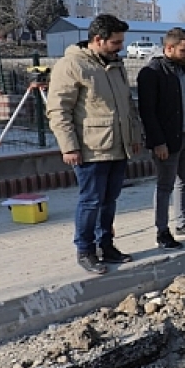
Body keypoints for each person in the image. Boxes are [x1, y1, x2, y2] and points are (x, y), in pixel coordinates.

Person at [47, 14, 143, 274]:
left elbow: (127, 105)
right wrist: (69, 146)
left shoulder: (116, 64)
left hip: (117, 146)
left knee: (109, 200)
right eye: (116, 42)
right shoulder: (72, 66)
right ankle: (86, 250)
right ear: (98, 40)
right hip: (90, 149)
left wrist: (133, 137)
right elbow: (58, 110)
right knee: (91, 201)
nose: (120, 46)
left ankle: (106, 245)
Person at [137, 27, 185, 249]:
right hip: (166, 140)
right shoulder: (152, 72)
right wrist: (158, 142)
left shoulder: (183, 67)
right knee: (165, 185)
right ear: (169, 48)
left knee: (184, 181)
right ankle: (162, 231)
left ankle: (183, 223)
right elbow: (147, 112)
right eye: (184, 50)